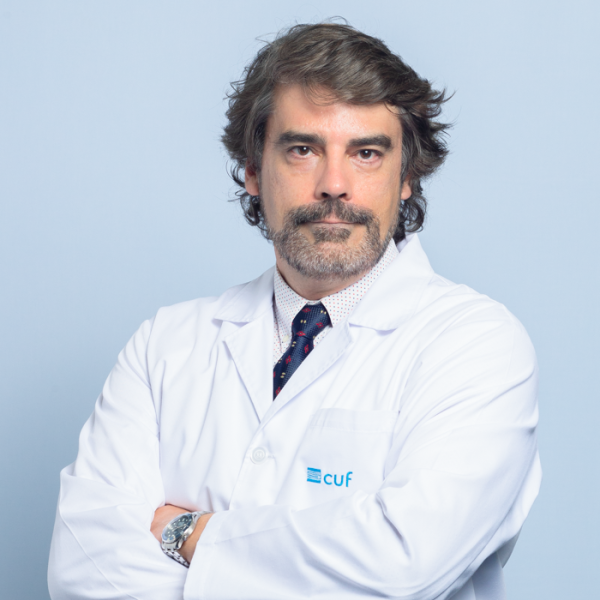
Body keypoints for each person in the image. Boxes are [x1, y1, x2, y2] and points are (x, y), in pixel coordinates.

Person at [48, 22, 541, 600]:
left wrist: (189, 533)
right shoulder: (166, 345)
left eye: (366, 153)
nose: (334, 184)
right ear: (254, 171)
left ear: (406, 177)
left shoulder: (477, 346)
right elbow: (82, 567)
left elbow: (404, 564)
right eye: (303, 150)